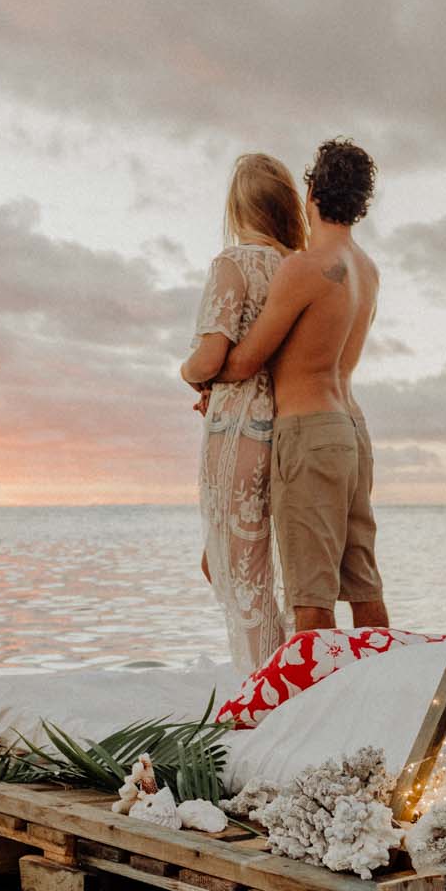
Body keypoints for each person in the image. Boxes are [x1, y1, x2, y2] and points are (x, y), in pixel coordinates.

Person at [216, 138, 386, 635]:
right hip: (352, 430)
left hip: (310, 432)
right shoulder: (368, 270)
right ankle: (390, 696)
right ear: (360, 204)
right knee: (364, 585)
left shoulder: (304, 268)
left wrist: (203, 374)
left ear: (311, 191)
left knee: (311, 599)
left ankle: (322, 711)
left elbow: (247, 359)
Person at [178, 154, 306, 673]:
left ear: (237, 208)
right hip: (286, 424)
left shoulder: (233, 265)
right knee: (245, 565)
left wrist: (189, 372)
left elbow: (210, 356)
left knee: (239, 570)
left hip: (237, 433)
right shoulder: (294, 269)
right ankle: (281, 676)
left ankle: (265, 692)